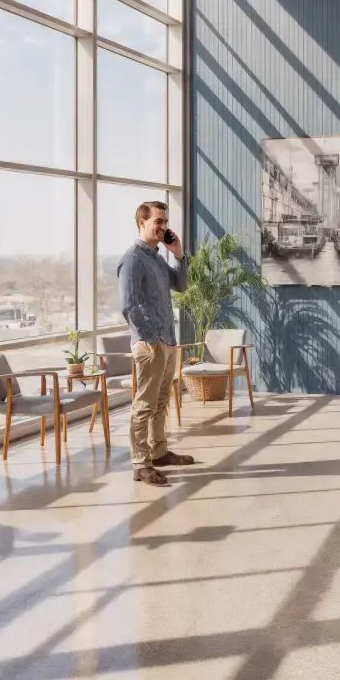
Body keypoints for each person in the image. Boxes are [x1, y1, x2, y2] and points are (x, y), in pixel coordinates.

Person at [118, 201, 194, 487]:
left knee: (161, 402)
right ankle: (140, 464)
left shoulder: (158, 257)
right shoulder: (133, 259)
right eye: (158, 221)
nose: (163, 227)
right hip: (151, 344)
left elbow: (182, 286)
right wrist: (150, 337)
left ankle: (159, 451)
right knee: (144, 405)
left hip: (168, 340)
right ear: (142, 221)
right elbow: (129, 306)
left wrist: (178, 254)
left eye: (165, 222)